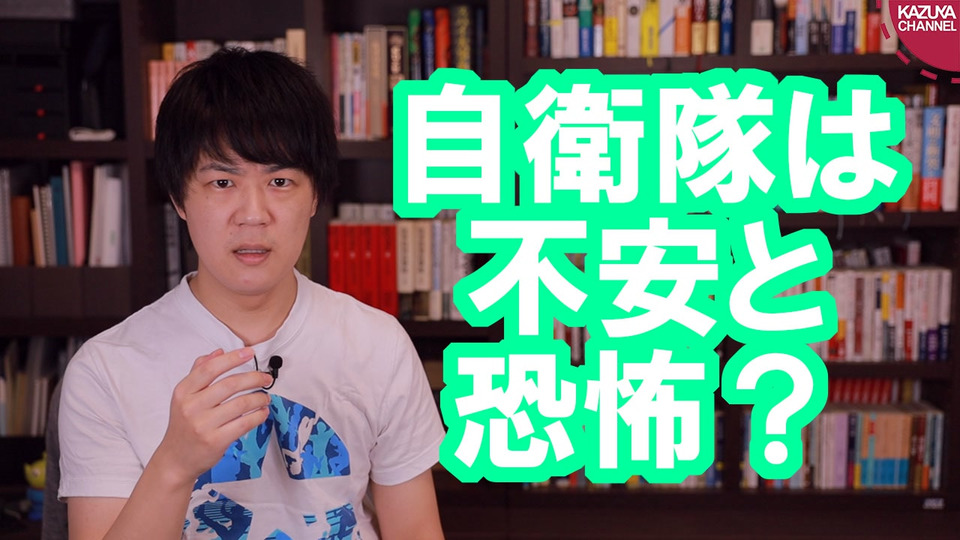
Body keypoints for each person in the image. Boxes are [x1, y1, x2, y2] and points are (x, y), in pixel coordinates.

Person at [57, 48, 445, 540]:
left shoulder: (378, 343)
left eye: (280, 181)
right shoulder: (104, 370)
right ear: (178, 198)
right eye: (222, 182)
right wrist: (174, 463)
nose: (254, 214)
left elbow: (416, 529)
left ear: (315, 196)